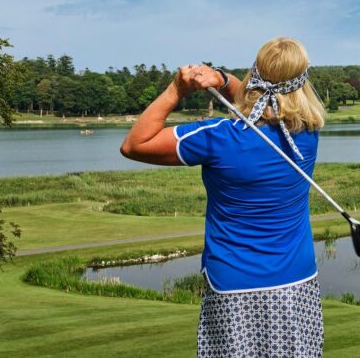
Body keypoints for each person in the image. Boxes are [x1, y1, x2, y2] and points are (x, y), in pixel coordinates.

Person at [120, 37, 326, 357]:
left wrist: (176, 89)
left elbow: (135, 145)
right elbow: (266, 103)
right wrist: (221, 78)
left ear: (253, 75)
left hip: (232, 284)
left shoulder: (217, 137)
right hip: (296, 281)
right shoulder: (307, 132)